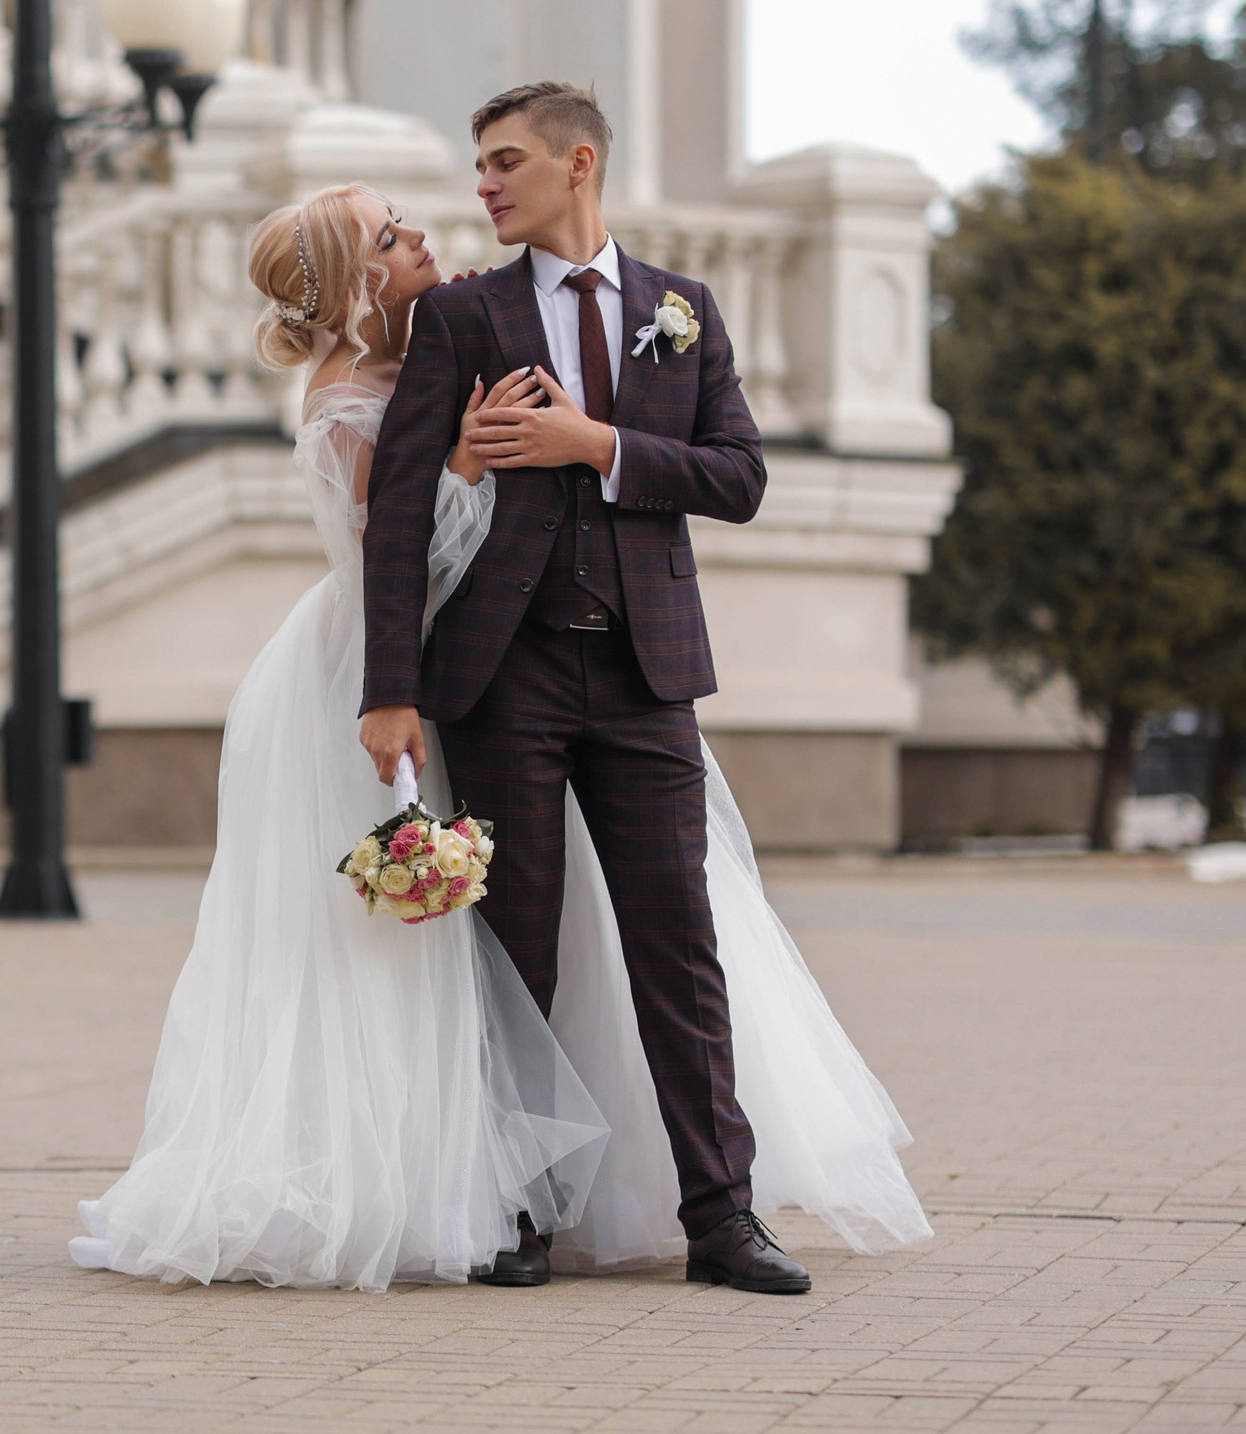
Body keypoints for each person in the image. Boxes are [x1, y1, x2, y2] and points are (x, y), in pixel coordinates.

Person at [358, 82, 928, 1292]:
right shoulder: (461, 316)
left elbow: (738, 477)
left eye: (506, 161)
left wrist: (599, 446)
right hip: (501, 676)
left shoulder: (682, 310)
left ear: (579, 164)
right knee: (516, 953)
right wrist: (387, 688)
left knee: (680, 946)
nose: (483, 185)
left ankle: (722, 1219)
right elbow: (399, 508)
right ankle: (519, 1215)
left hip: (644, 675)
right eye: (478, 164)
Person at [68, 183, 611, 1291]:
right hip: (373, 673)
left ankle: (491, 1175)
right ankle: (397, 1184)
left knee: (477, 924)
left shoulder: (424, 354)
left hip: (454, 663)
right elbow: (395, 559)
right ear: (363, 282)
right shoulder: (346, 401)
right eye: (392, 237)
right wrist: (464, 466)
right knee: (391, 938)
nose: (422, 237)